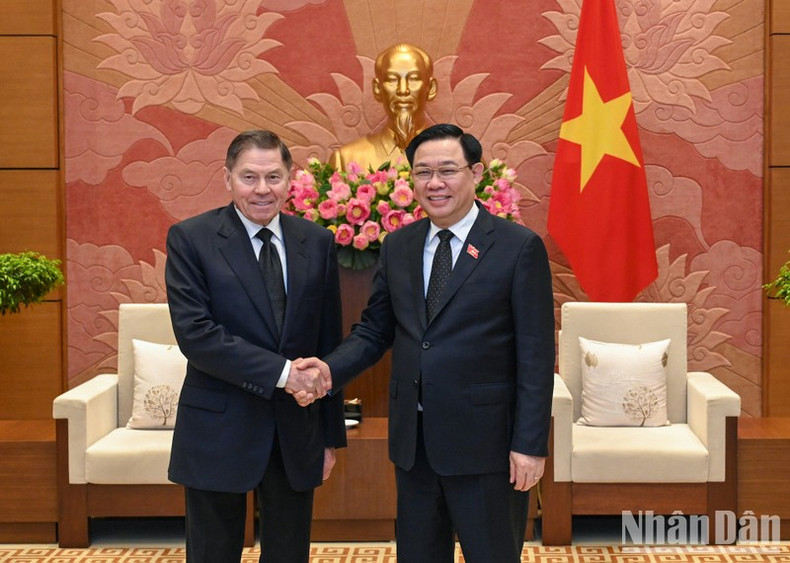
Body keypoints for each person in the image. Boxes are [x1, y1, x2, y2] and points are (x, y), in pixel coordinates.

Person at [300, 124, 555, 562]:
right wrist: (329, 369)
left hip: (487, 445)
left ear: (475, 174)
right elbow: (375, 330)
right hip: (414, 444)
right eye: (422, 173)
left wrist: (530, 444)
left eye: (447, 170)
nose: (434, 183)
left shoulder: (517, 248)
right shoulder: (399, 245)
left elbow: (536, 353)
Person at [165, 129, 346, 563]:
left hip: (296, 430)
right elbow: (197, 335)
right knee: (213, 552)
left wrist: (330, 437)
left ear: (290, 180)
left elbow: (328, 342)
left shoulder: (316, 242)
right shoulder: (192, 239)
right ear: (227, 179)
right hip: (219, 427)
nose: (262, 190)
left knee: (289, 552)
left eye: (273, 177)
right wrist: (285, 375)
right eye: (249, 177)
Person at [329, 43, 438, 172]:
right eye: (392, 80)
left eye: (413, 79)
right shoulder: (346, 160)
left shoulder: (460, 157)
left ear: (431, 88)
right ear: (377, 88)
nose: (403, 90)